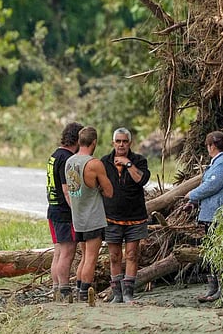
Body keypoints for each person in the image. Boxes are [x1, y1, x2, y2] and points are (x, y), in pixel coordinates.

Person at [187, 131, 223, 302]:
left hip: (220, 214)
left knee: (220, 251)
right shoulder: (217, 163)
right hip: (211, 214)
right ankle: (213, 288)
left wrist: (191, 194)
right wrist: (194, 203)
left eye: (208, 146)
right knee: (212, 252)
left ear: (212, 146)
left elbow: (212, 185)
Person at [101, 128, 151, 303]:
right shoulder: (104, 162)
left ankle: (129, 293)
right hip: (111, 217)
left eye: (125, 141)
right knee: (114, 256)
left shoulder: (139, 160)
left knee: (132, 254)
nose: (121, 144)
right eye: (118, 141)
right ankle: (117, 294)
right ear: (113, 142)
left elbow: (142, 180)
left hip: (135, 216)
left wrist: (128, 164)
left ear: (130, 143)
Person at [64, 127, 113, 304]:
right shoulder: (94, 164)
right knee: (91, 258)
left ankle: (78, 291)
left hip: (77, 216)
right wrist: (99, 186)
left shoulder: (69, 162)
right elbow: (109, 191)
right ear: (94, 142)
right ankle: (85, 294)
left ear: (78, 141)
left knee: (84, 256)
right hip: (93, 217)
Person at [46, 122, 82, 302]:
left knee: (58, 252)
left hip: (52, 209)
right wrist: (76, 211)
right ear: (77, 139)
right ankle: (65, 289)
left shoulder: (54, 156)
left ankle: (56, 290)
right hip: (64, 212)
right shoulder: (67, 159)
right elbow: (67, 190)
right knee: (68, 253)